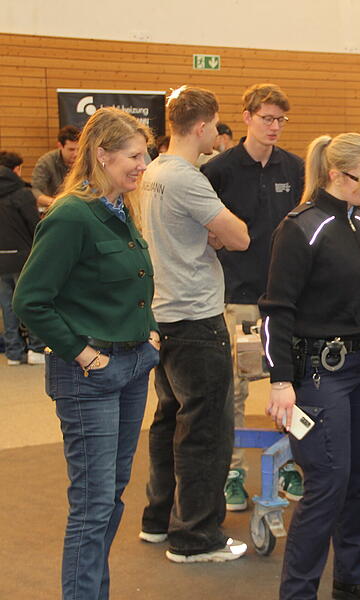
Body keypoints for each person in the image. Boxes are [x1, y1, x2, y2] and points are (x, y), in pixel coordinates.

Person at [12, 107, 160, 599]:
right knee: (94, 506)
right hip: (91, 376)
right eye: (135, 156)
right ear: (102, 155)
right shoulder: (72, 214)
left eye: (147, 154)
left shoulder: (121, 208)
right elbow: (30, 299)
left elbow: (135, 284)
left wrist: (150, 331)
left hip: (132, 366)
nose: (144, 164)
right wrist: (82, 354)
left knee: (110, 499)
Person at [260, 132, 360, 600]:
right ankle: (297, 592)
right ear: (338, 174)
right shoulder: (301, 227)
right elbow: (276, 309)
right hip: (320, 375)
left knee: (358, 478)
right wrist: (280, 381)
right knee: (326, 484)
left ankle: (351, 577)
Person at [138, 86, 250, 563]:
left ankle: (160, 520)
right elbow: (240, 237)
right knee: (206, 430)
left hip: (164, 315)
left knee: (170, 421)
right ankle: (196, 536)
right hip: (195, 318)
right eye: (216, 127)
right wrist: (218, 234)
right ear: (203, 127)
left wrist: (212, 233)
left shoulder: (152, 172)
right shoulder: (187, 178)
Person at [201, 83, 304, 511]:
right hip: (234, 296)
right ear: (246, 117)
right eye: (267, 118)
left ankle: (291, 465)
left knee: (292, 387)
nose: (274, 127)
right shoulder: (219, 170)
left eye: (281, 119)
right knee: (234, 393)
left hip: (284, 299)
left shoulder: (295, 168)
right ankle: (233, 473)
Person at [0, 150, 45, 365]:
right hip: (23, 257)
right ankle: (36, 349)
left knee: (7, 307)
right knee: (29, 303)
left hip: (1, 259)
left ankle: (13, 353)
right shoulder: (23, 193)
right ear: (17, 169)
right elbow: (34, 225)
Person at [31, 125, 80, 209]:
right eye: (71, 149)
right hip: (54, 208)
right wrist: (55, 203)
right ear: (60, 146)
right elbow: (35, 191)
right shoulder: (46, 162)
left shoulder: (84, 160)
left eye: (79, 149)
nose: (76, 154)